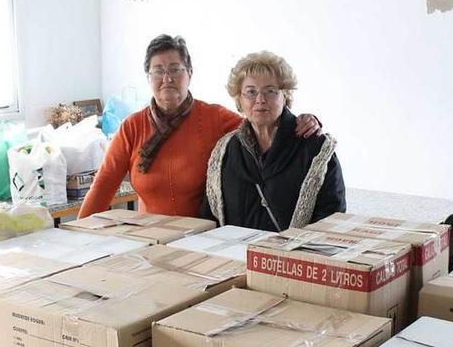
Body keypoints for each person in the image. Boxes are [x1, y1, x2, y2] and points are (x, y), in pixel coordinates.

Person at [78, 35, 320, 218]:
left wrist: (303, 121)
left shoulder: (215, 118)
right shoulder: (132, 127)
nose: (167, 78)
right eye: (158, 71)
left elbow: (261, 123)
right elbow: (102, 187)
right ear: (148, 78)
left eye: (175, 69)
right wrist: (79, 236)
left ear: (190, 73)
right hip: (149, 242)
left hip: (203, 242)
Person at [201, 51, 345, 231]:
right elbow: (210, 217)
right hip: (235, 257)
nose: (260, 100)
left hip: (293, 257)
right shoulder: (224, 151)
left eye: (270, 91)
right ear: (239, 99)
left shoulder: (315, 149)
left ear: (285, 95)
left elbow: (332, 218)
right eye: (251, 92)